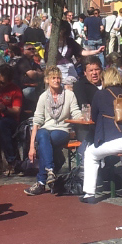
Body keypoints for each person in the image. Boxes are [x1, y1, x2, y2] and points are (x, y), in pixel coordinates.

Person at [80, 67, 122, 203]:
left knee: (90, 154)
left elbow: (93, 117)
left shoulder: (100, 95)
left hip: (120, 141)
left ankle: (89, 193)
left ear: (105, 79)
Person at [24, 66, 82, 195]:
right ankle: (50, 171)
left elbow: (76, 112)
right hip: (46, 130)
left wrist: (82, 116)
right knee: (42, 133)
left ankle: (41, 181)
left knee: (47, 139)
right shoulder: (43, 97)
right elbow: (37, 121)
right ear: (47, 80)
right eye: (53, 78)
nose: (56, 80)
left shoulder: (69, 95)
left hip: (62, 129)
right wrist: (31, 147)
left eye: (58, 78)